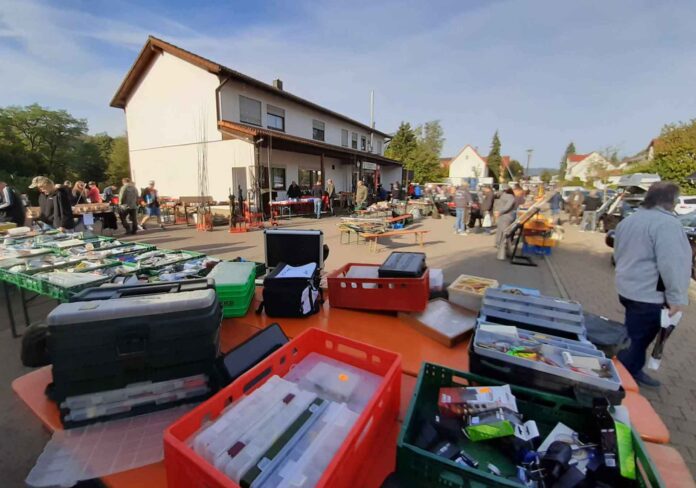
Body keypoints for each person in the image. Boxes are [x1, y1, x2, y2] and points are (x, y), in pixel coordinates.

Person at [614, 182, 691, 387]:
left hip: (629, 288)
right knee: (638, 340)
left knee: (633, 335)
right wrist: (676, 297)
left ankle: (632, 370)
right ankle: (621, 380)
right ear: (671, 201)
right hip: (649, 294)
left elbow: (618, 252)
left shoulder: (631, 220)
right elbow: (672, 263)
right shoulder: (667, 225)